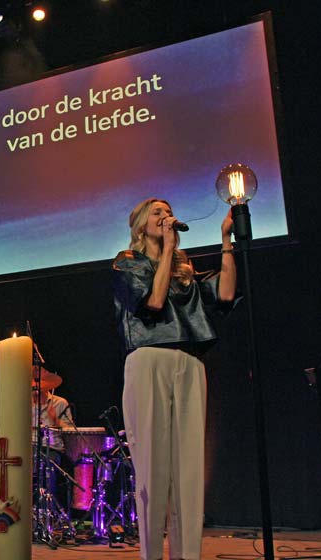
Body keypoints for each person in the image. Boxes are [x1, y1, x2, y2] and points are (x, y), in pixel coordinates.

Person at [111, 198, 236, 560]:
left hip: (189, 361)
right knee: (153, 466)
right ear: (140, 225)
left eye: (168, 212)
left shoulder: (185, 272)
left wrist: (226, 240)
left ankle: (187, 555)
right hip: (149, 357)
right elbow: (153, 302)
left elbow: (226, 294)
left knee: (189, 468)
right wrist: (167, 250)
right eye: (157, 212)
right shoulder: (127, 262)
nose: (166, 216)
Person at [31, 368, 75, 504]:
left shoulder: (60, 402)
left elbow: (70, 431)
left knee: (46, 462)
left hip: (52, 448)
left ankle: (49, 506)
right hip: (29, 447)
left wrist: (55, 419)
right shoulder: (22, 403)